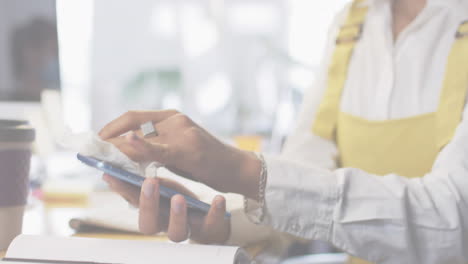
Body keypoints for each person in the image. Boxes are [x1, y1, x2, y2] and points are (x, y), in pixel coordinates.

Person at [98, 0, 468, 263]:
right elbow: (303, 193)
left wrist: (245, 172)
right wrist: (218, 223)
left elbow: (454, 223)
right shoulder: (350, 26)